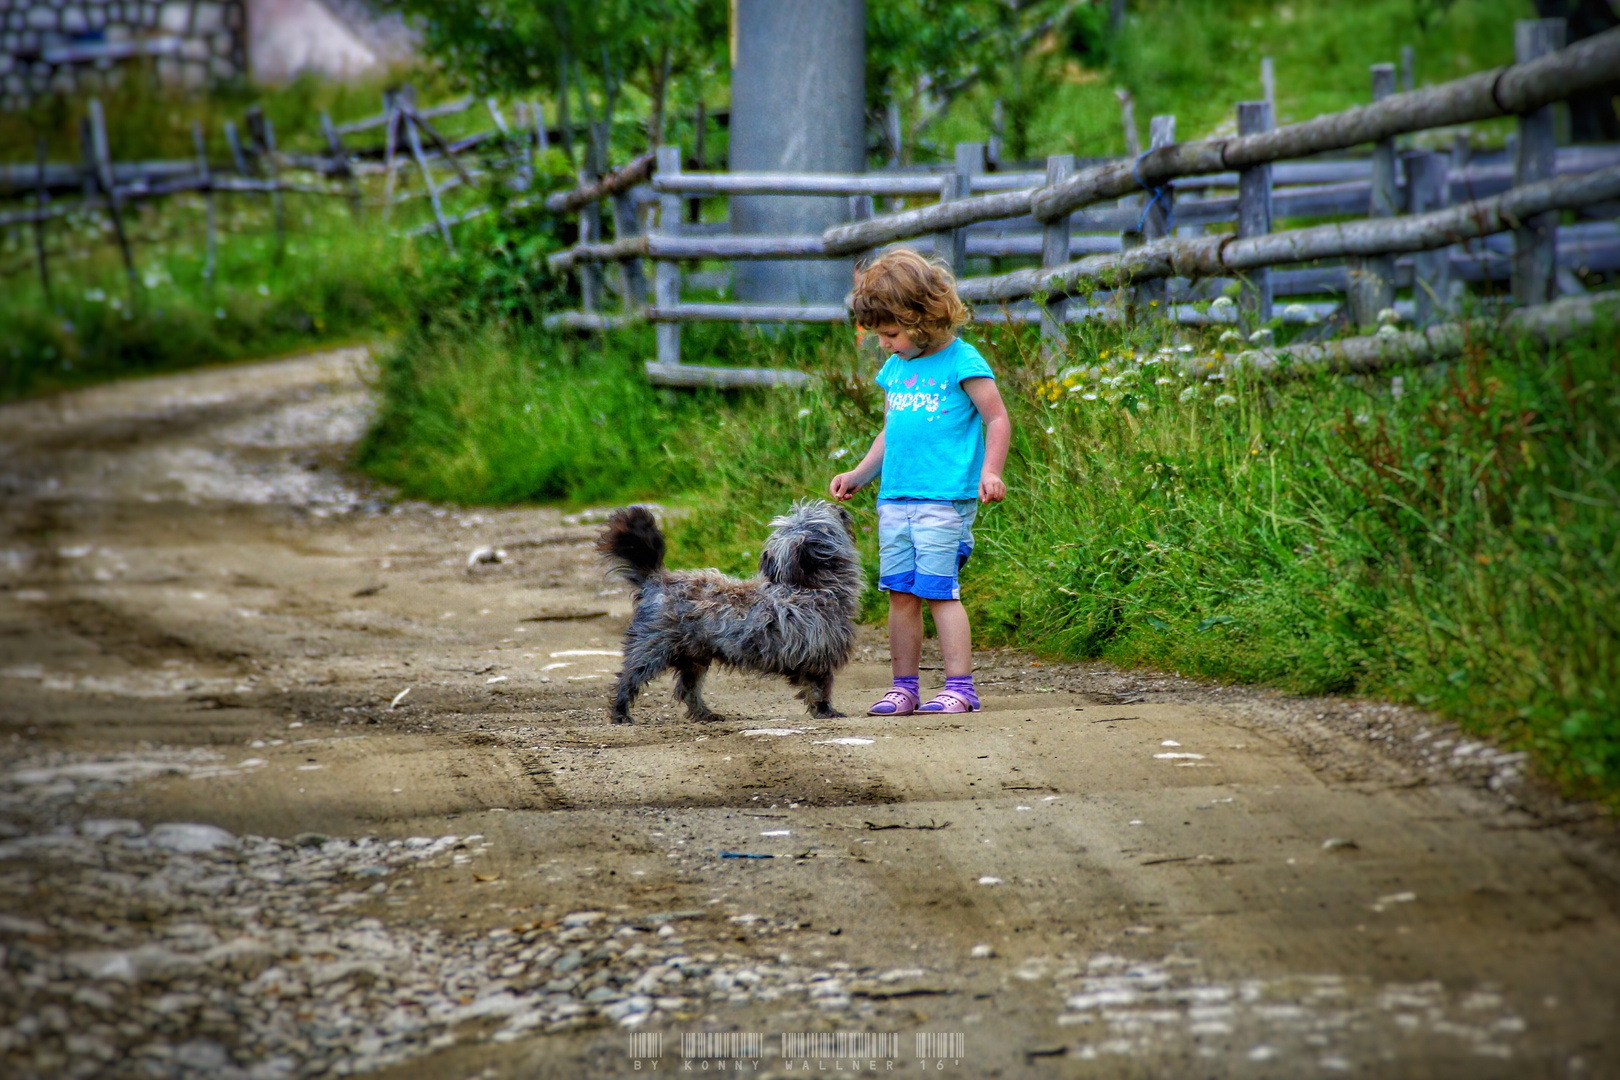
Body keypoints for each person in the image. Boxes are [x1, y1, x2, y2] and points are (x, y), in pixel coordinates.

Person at [829, 249, 1011, 715]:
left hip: (943, 499)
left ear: (923, 317)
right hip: (896, 499)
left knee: (938, 590)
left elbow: (996, 418)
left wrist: (991, 471)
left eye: (890, 333)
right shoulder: (897, 368)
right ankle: (904, 686)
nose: (885, 344)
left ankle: (960, 686)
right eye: (879, 335)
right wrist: (860, 474)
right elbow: (890, 433)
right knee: (901, 593)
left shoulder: (962, 361)